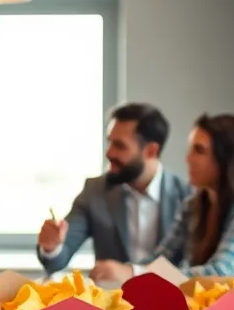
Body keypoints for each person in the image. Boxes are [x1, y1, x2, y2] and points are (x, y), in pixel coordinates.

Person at [93, 113, 234, 292]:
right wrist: (119, 271)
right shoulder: (193, 205)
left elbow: (220, 273)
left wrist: (134, 274)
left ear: (227, 160)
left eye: (199, 150)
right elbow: (162, 260)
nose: (188, 159)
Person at [37, 103, 190, 277]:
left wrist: (131, 273)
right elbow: (59, 258)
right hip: (111, 300)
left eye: (120, 146)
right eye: (109, 142)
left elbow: (195, 268)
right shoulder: (94, 191)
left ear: (151, 150)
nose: (109, 153)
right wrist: (52, 247)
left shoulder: (187, 197)